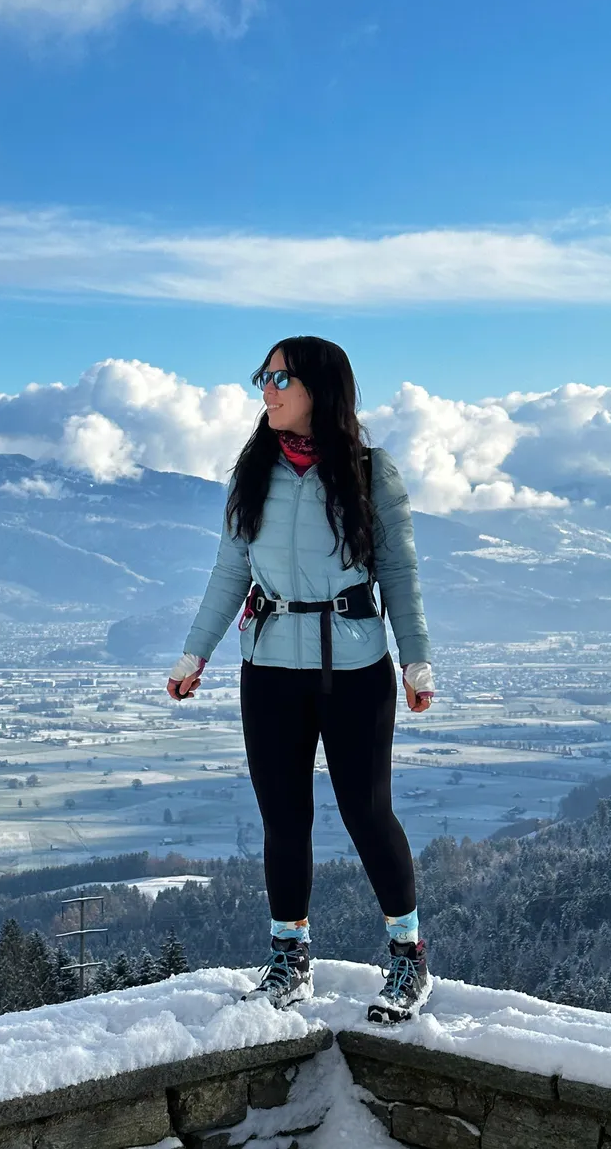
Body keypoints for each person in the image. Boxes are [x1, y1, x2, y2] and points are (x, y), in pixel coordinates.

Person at [166, 335, 436, 1023]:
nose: (266, 388)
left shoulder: (372, 474)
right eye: (263, 375)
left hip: (355, 667)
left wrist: (416, 658)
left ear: (320, 387)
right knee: (283, 818)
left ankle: (408, 961)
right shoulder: (252, 472)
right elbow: (231, 572)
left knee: (366, 811)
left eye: (279, 376)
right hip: (269, 668)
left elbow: (400, 575)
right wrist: (195, 653)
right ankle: (291, 960)